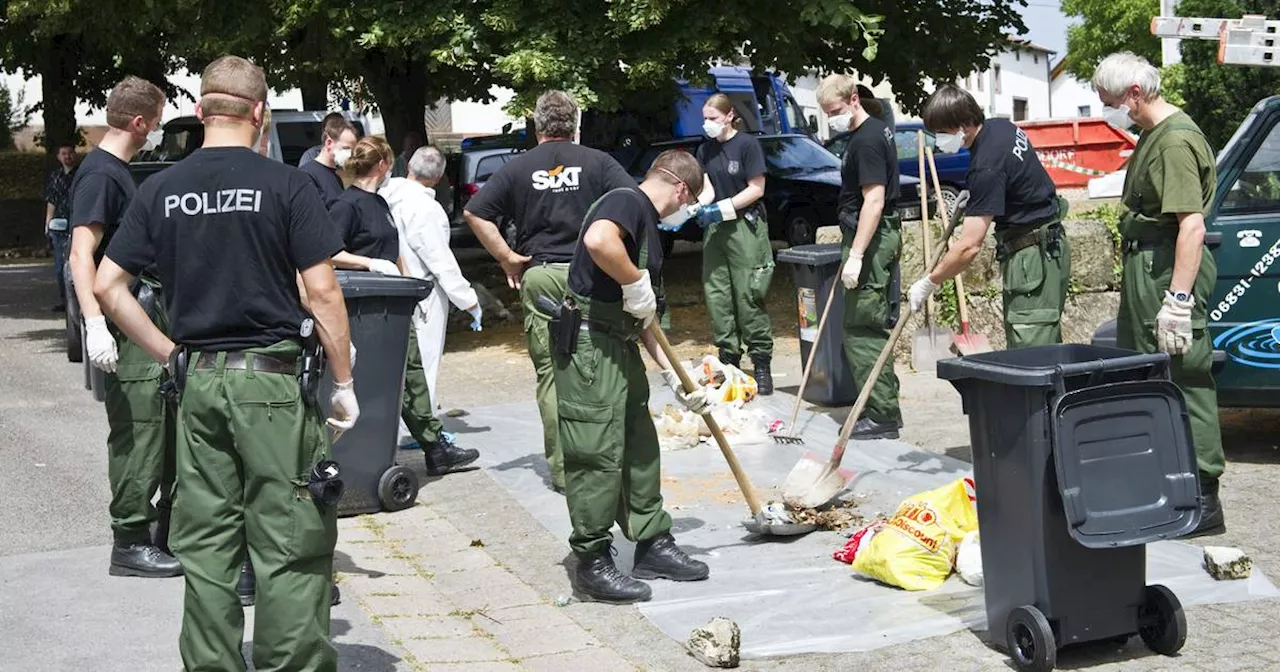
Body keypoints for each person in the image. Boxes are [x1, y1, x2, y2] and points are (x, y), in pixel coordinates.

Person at [92, 55, 357, 670]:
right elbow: (323, 292)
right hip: (271, 386)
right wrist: (344, 382)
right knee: (290, 539)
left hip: (199, 386)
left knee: (206, 543)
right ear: (260, 114)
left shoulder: (159, 188)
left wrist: (169, 355)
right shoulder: (287, 185)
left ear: (198, 111)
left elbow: (109, 287)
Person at [553, 148, 713, 603]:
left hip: (619, 343)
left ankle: (651, 542)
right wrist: (633, 280)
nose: (688, 211)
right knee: (596, 452)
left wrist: (673, 377)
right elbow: (601, 242)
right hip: (590, 348)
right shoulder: (626, 201)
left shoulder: (648, 228)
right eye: (692, 201)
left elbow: (644, 316)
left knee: (639, 448)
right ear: (680, 188)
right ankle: (593, 560)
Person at [463, 90, 638, 494]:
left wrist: (507, 257)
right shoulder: (599, 162)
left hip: (541, 274)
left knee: (551, 374)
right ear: (575, 125)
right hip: (593, 275)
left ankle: (563, 471)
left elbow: (475, 212)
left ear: (537, 126)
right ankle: (605, 464)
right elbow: (633, 203)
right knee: (603, 366)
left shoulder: (518, 167)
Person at [1091, 52, 1225, 536]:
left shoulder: (1174, 141)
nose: (1108, 110)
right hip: (1151, 265)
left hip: (1169, 267)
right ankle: (1168, 491)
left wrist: (1179, 301)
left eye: (1109, 101)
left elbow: (1190, 225)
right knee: (1150, 375)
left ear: (1134, 93)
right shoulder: (1153, 135)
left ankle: (1205, 500)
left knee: (1184, 377)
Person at [67, 76, 182, 578]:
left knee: (158, 427)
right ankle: (130, 540)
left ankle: (156, 531)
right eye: (156, 120)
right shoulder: (102, 175)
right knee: (141, 432)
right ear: (140, 122)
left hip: (134, 313)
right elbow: (80, 254)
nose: (157, 129)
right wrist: (94, 322)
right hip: (124, 317)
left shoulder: (110, 170)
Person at [332, 135, 480, 474]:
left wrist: (407, 284)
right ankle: (364, 451)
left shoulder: (381, 203)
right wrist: (367, 264)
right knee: (379, 379)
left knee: (411, 374)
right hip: (363, 308)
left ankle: (434, 448)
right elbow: (329, 253)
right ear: (383, 165)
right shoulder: (347, 205)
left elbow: (395, 248)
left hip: (391, 303)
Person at [909, 84, 1071, 348]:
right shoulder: (1001, 128)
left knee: (1032, 350)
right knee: (1045, 341)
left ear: (964, 123)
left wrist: (930, 282)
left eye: (941, 132)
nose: (938, 140)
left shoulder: (986, 166)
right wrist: (977, 196)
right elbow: (1016, 181)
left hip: (1032, 260)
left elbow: (969, 247)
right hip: (1049, 247)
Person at [815, 74, 904, 440]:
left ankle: (882, 414)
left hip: (871, 236)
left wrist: (856, 255)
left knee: (862, 328)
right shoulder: (873, 131)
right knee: (866, 325)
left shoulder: (867, 140)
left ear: (853, 99)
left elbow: (874, 199)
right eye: (825, 113)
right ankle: (880, 403)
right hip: (871, 234)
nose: (831, 118)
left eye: (834, 110)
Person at [380, 145, 482, 403]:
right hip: (422, 293)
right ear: (439, 178)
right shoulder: (426, 208)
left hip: (386, 287)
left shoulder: (385, 194)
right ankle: (420, 423)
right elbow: (439, 260)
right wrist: (468, 300)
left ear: (409, 167)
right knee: (424, 359)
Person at [688, 93, 775, 394]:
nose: (707, 124)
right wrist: (698, 207)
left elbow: (756, 188)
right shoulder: (706, 150)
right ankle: (729, 360)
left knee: (749, 294)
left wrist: (722, 208)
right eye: (705, 118)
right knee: (718, 294)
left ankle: (761, 362)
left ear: (729, 116)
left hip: (744, 227)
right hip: (717, 230)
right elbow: (706, 187)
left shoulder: (748, 145)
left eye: (713, 118)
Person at [45, 144, 78, 311]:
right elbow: (51, 200)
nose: (68, 156)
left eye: (70, 153)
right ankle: (65, 301)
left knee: (78, 264)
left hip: (78, 224)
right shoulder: (54, 177)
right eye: (64, 153)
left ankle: (80, 300)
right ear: (58, 157)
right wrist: (48, 223)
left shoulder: (81, 175)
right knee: (60, 267)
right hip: (59, 227)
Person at [300, 114, 358, 207]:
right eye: (346, 148)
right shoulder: (307, 174)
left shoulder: (336, 176)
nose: (350, 154)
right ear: (329, 143)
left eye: (352, 149)